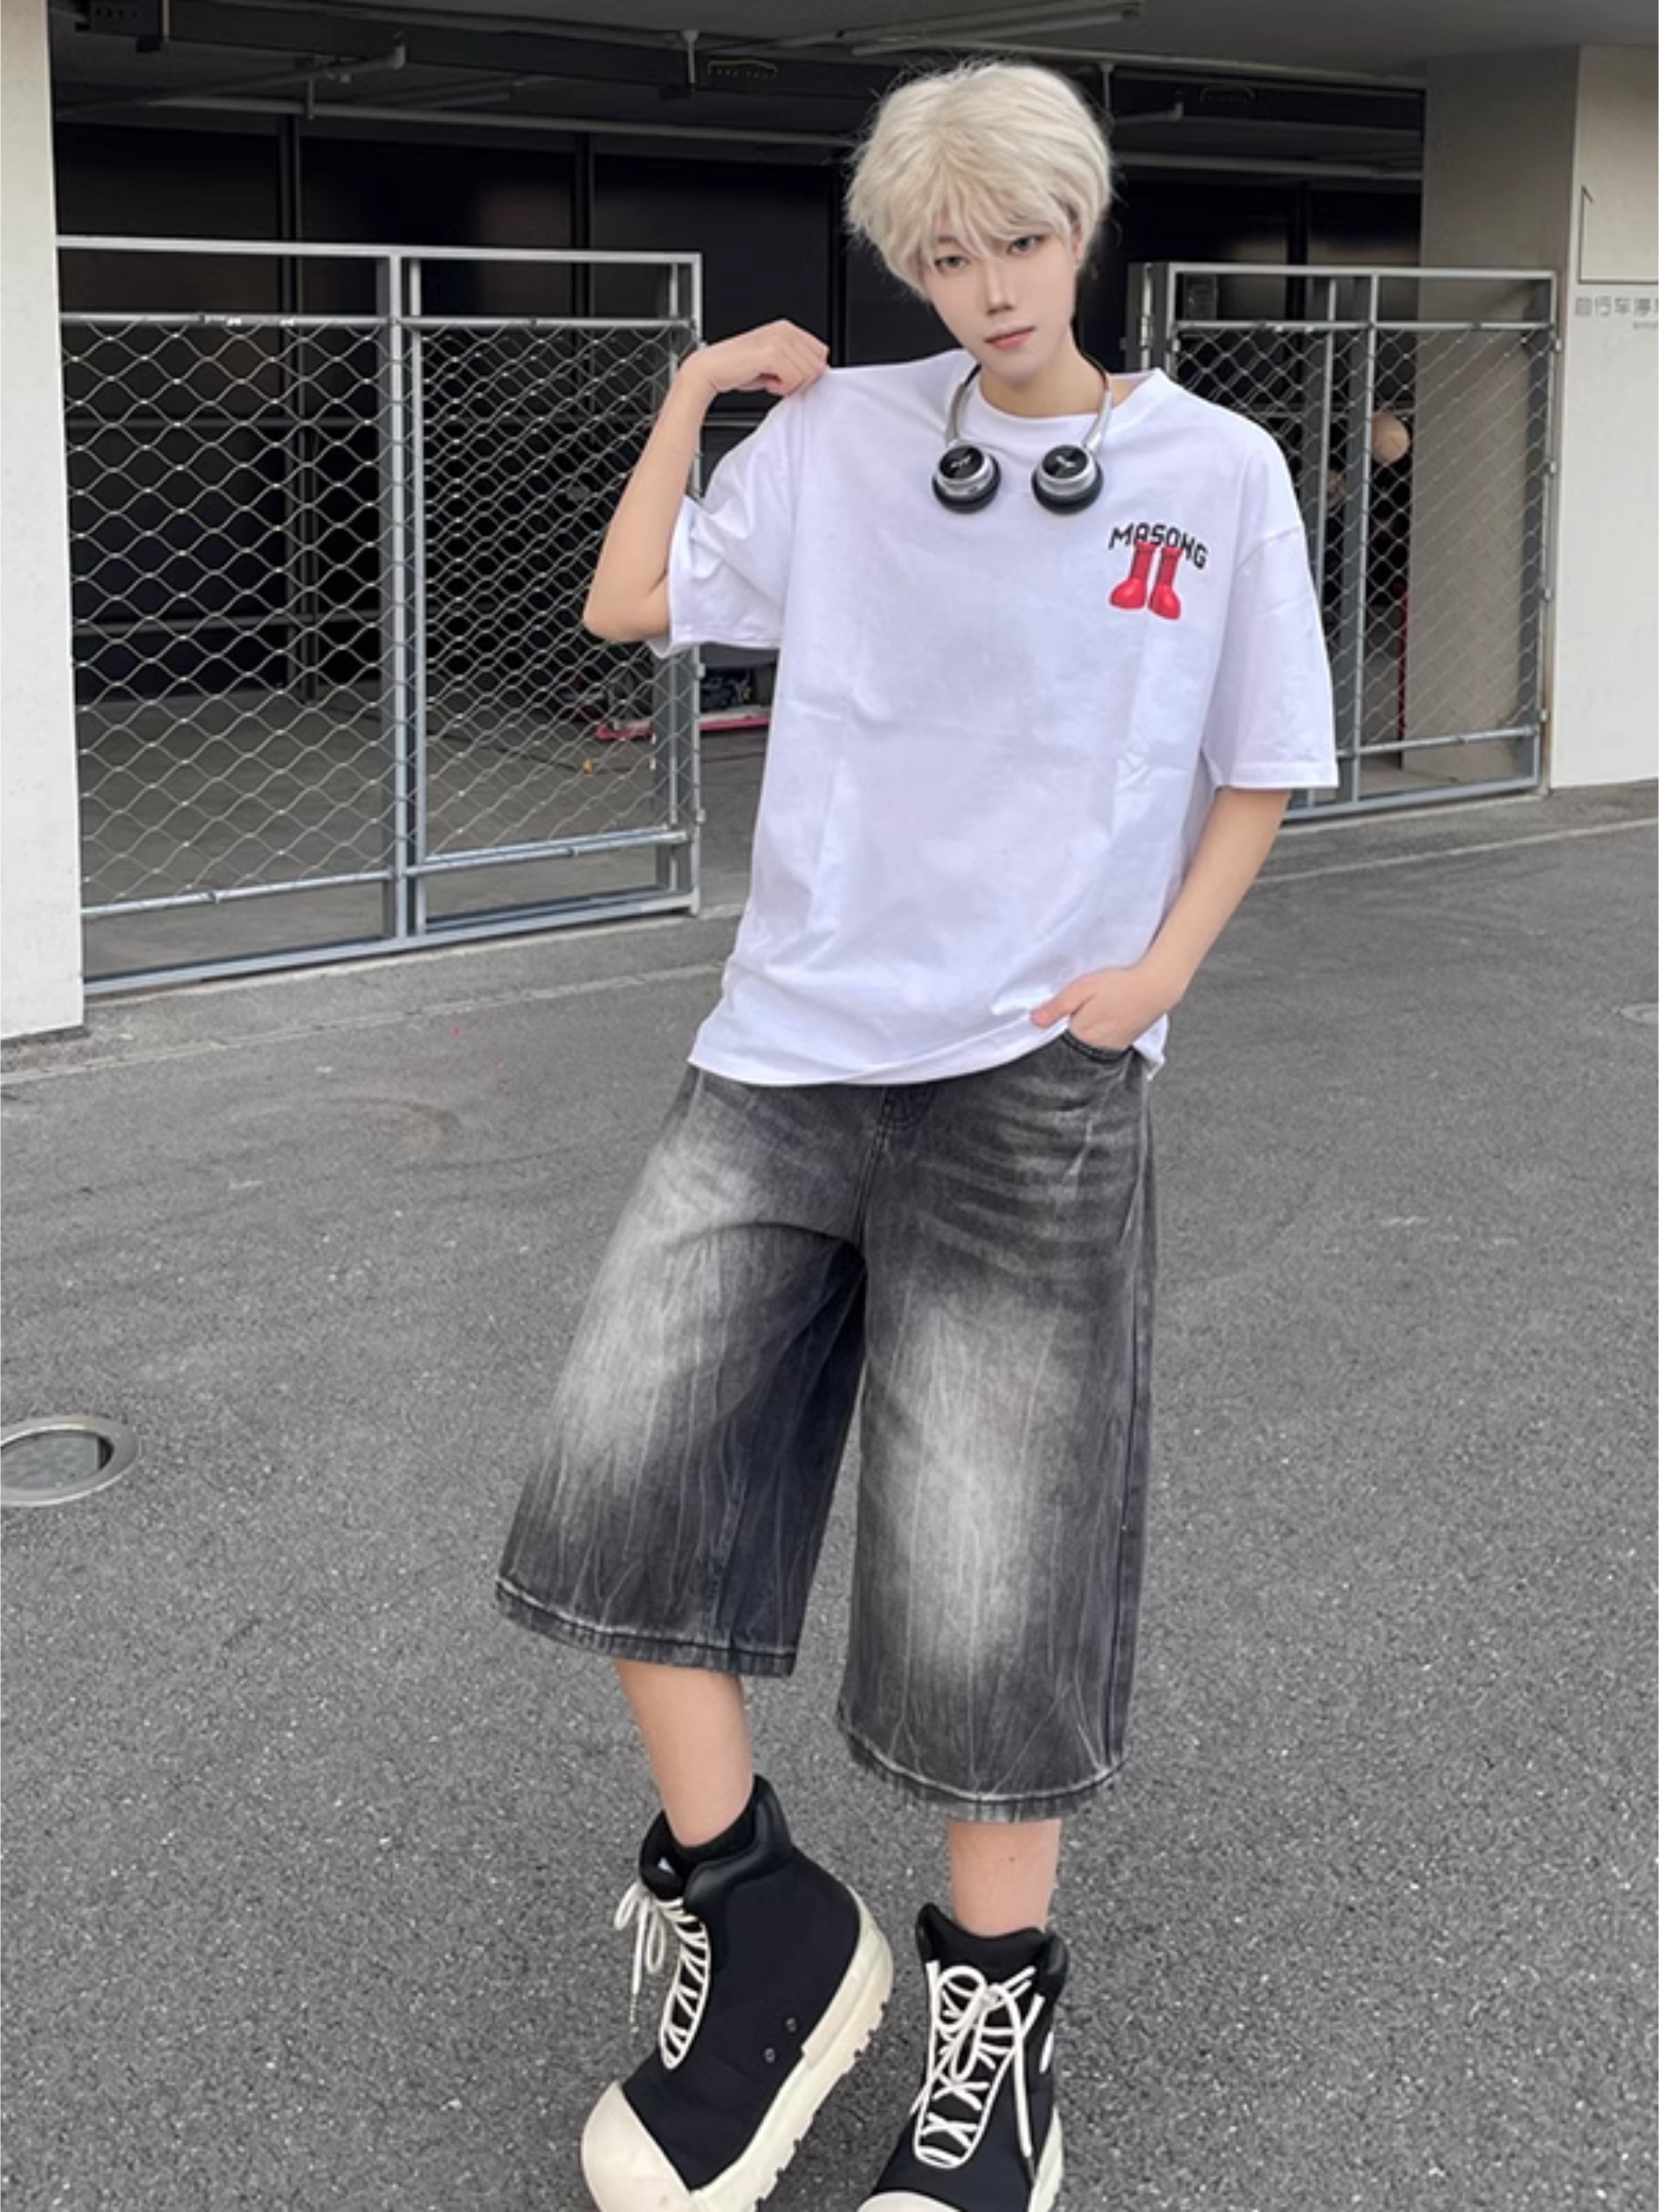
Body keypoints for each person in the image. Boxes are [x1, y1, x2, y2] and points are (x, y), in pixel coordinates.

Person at [496, 57, 1337, 2212]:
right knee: (621, 1484)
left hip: (1032, 1079)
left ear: (1084, 223)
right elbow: (627, 608)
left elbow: (1259, 753)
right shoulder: (849, 434)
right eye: (945, 256)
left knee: (987, 1570)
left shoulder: (1212, 470)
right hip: (782, 1050)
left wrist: (1154, 977)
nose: (987, 287)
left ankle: (993, 2039)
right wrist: (692, 399)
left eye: (1019, 240)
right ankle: (756, 1909)